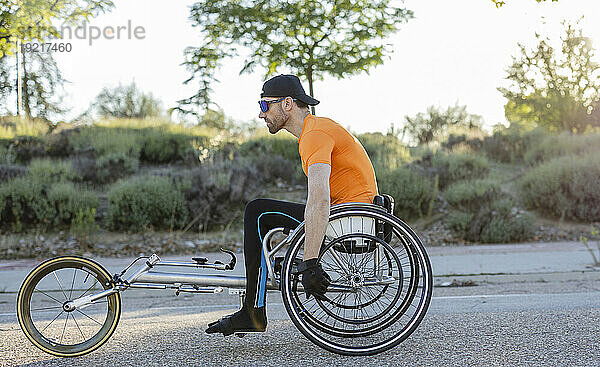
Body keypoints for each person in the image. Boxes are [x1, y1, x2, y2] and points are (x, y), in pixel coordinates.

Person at [206, 74, 378, 336]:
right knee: (263, 212)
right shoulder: (316, 130)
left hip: (348, 219)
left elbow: (320, 198)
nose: (261, 115)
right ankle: (255, 305)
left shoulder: (315, 135)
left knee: (258, 211)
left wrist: (310, 263)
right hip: (352, 215)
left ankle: (253, 311)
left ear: (287, 104)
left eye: (265, 106)